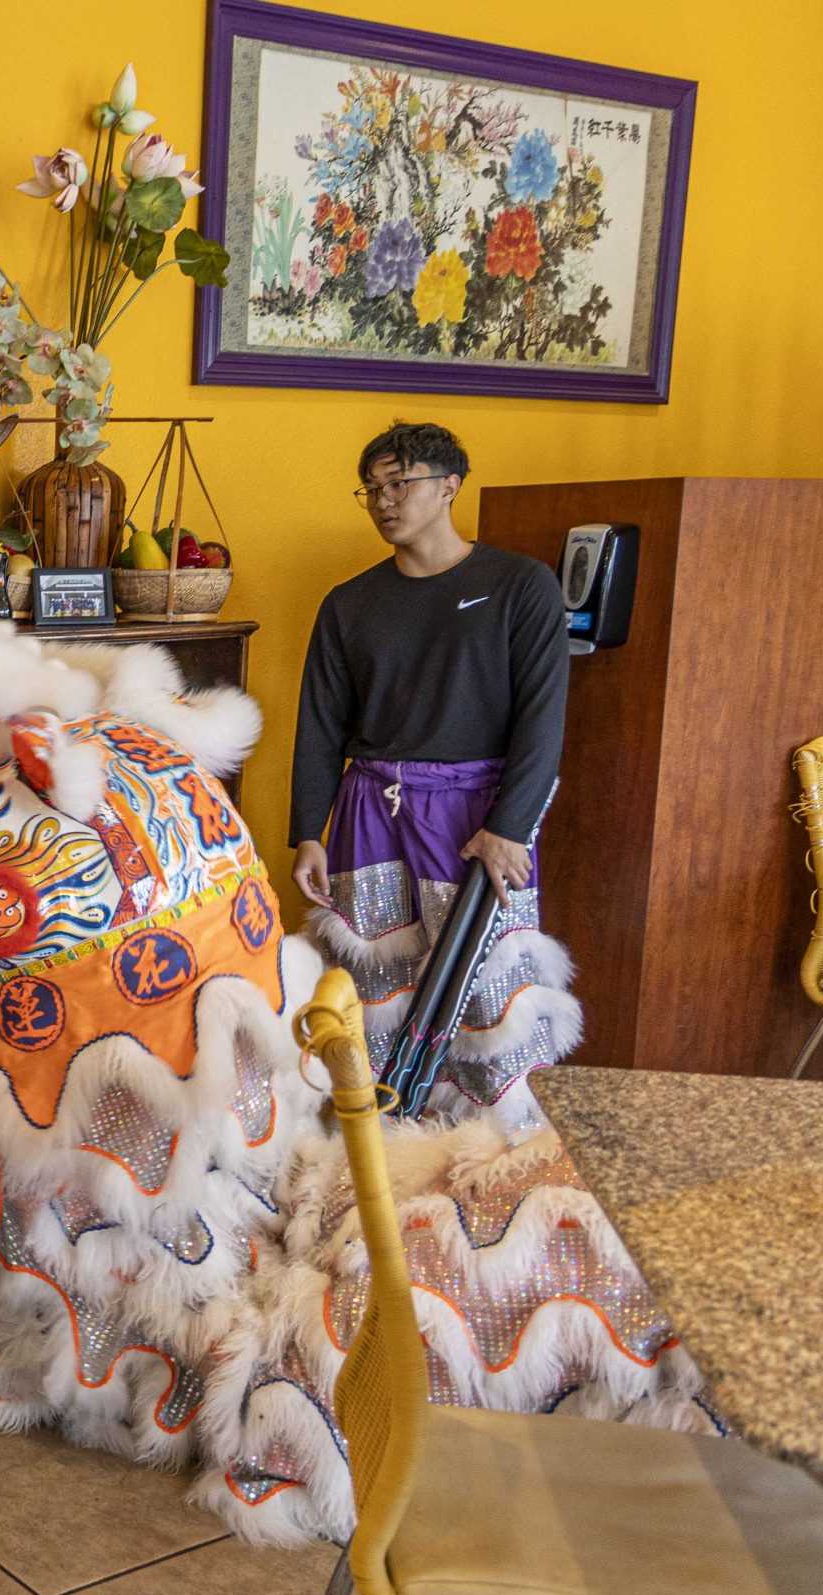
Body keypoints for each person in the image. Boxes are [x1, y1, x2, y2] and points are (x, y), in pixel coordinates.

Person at [287, 422, 574, 1117]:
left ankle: (501, 1145)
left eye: (401, 482)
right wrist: (308, 833)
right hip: (369, 811)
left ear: (450, 486)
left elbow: (544, 716)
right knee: (372, 978)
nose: (385, 501)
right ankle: (370, 1138)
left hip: (474, 815)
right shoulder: (349, 604)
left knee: (485, 984)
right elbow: (320, 726)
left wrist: (509, 826)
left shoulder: (519, 585)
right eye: (373, 489)